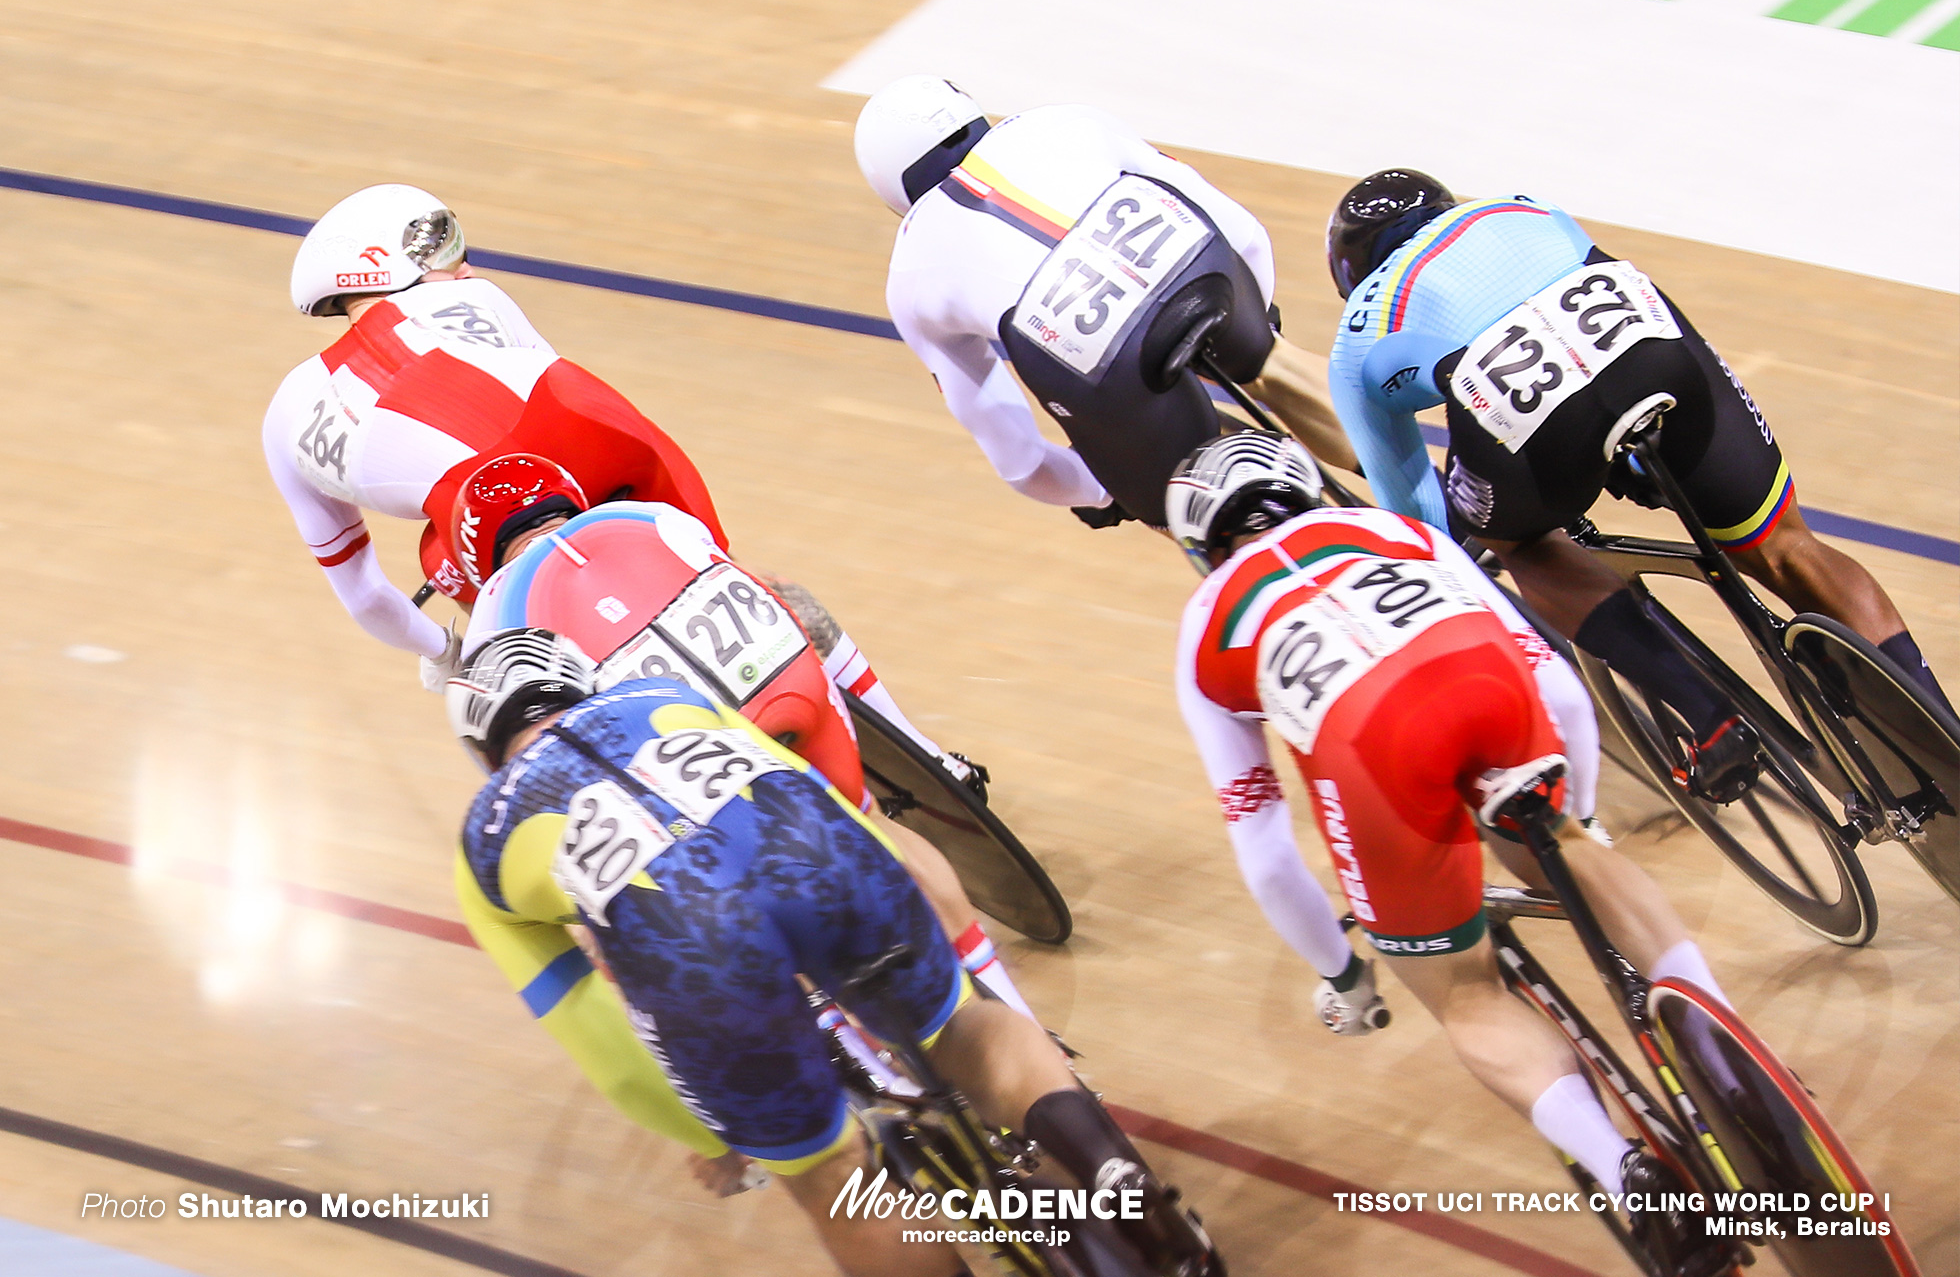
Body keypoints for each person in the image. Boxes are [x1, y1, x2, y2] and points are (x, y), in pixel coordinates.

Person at [449, 630, 1219, 1276]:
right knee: (960, 1027)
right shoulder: (659, 697)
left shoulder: (484, 839)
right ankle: (1122, 1183)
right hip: (821, 861)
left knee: (827, 1173)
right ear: (581, 685)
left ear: (487, 754)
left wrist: (717, 1137)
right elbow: (821, 799)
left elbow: (606, 1049)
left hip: (698, 939)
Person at [1168, 433, 1731, 1276]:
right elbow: (1560, 688)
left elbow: (1264, 846)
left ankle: (1626, 1171)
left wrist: (1342, 974)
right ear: (1309, 491)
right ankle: (1727, 1055)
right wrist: (1571, 825)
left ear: (1201, 549)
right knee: (1574, 849)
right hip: (1484, 685)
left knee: (1463, 994)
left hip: (1374, 755)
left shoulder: (1206, 621)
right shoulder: (1399, 532)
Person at [1321, 169, 1954, 799]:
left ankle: (1711, 719)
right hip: (1662, 359)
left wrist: (1470, 547)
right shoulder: (1521, 206)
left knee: (1520, 544)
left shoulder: (1354, 343)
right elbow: (1622, 313)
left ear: (1350, 273)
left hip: (1533, 421)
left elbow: (1420, 524)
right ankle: (1944, 734)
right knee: (1786, 545)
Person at [451, 454, 1030, 1017]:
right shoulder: (646, 519)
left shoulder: (496, 622)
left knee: (747, 886)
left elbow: (536, 777)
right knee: (870, 825)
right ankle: (1013, 1011)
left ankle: (850, 1043)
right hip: (788, 682)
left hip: (701, 738)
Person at [264, 183, 722, 686]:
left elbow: (367, 598)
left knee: (440, 553)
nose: (467, 269)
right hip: (596, 433)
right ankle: (745, 593)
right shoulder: (479, 296)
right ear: (378, 264)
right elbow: (553, 398)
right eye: (447, 253)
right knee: (722, 581)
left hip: (486, 509)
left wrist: (443, 651)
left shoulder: (284, 417)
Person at [853, 76, 1358, 530]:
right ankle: (1425, 488)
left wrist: (1107, 489)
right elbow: (1245, 234)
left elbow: (1024, 464)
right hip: (1204, 269)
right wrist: (1255, 331)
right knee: (1273, 363)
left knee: (1191, 487)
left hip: (1103, 371)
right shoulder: (1064, 119)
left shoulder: (909, 274)